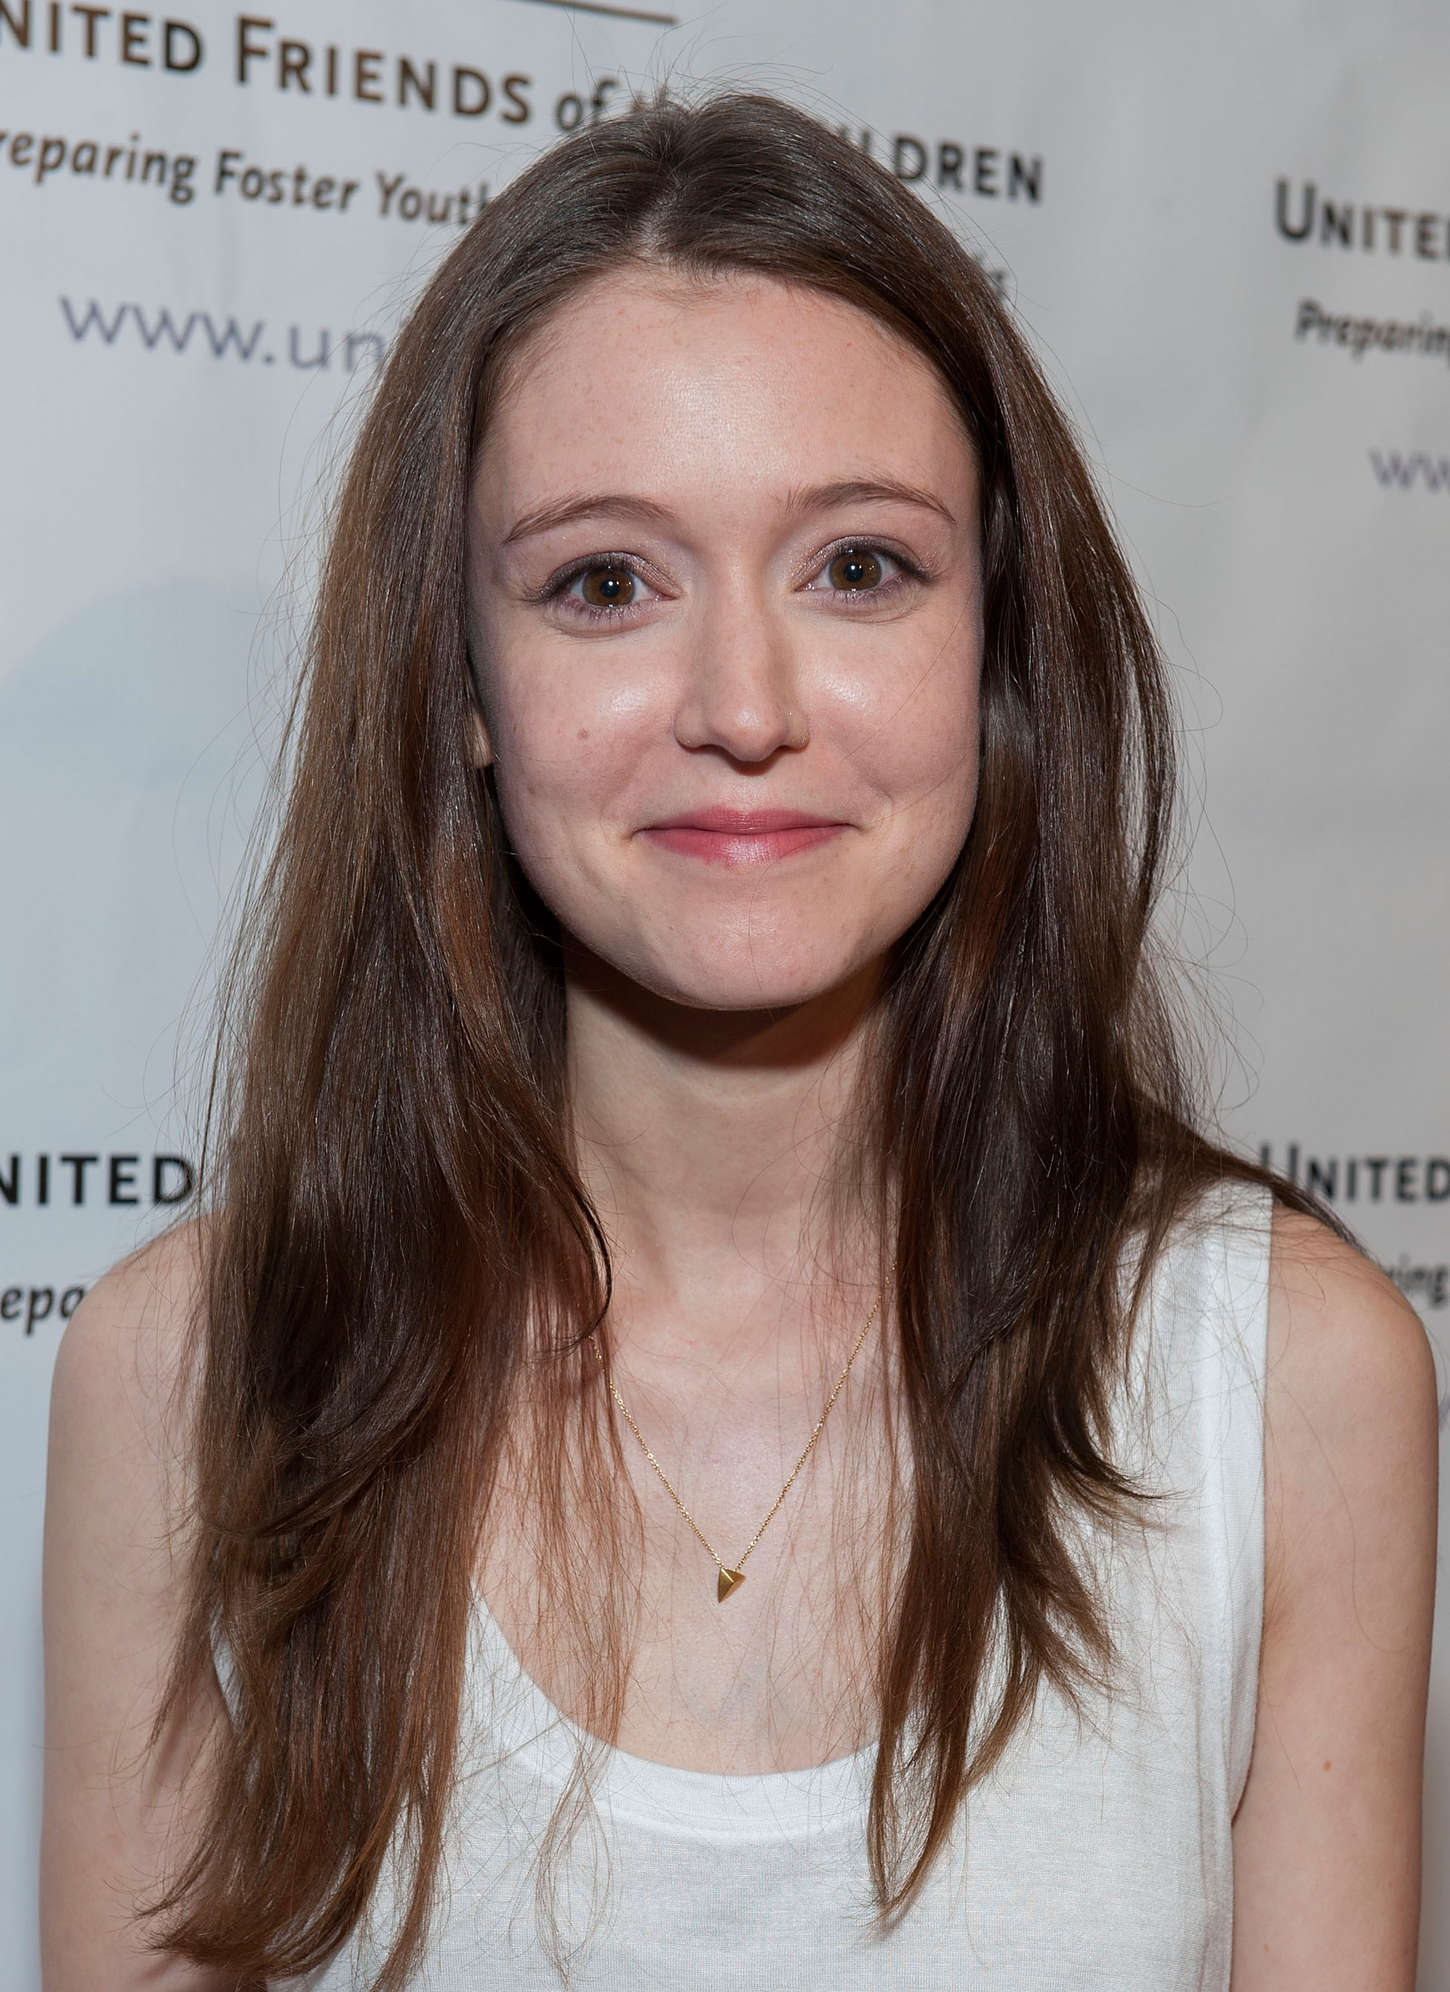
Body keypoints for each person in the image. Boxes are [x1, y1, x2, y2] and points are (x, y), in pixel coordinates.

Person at [40, 86, 1437, 1991]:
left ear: (995, 650)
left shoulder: (1283, 1380)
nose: (743, 705)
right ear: (460, 682)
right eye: (604, 581)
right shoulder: (191, 1377)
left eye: (858, 564)